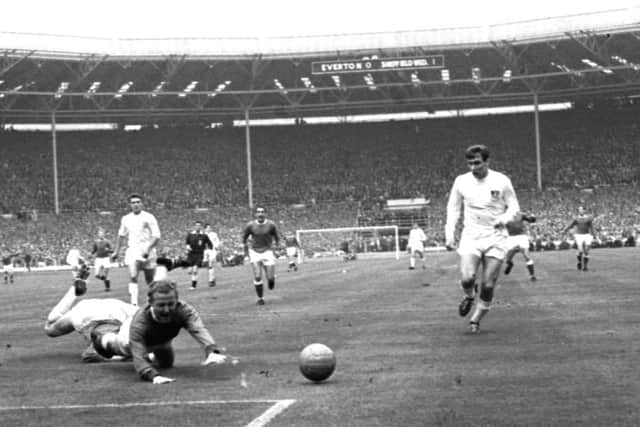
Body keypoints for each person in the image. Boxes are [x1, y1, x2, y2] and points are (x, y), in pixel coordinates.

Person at [91, 268, 229, 384]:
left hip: (162, 341)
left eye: (171, 304)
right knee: (122, 346)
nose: (167, 309)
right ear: (150, 303)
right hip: (129, 339)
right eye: (161, 305)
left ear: (177, 300)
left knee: (167, 364)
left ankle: (148, 355)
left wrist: (212, 351)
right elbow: (138, 358)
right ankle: (102, 340)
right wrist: (153, 376)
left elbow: (198, 330)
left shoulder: (184, 311)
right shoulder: (140, 322)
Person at [445, 144, 520, 334]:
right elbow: (453, 209)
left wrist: (503, 219)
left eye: (477, 162)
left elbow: (514, 207)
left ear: (487, 161)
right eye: (470, 163)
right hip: (471, 235)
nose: (473, 167)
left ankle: (476, 318)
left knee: (488, 284)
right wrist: (449, 233)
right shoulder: (461, 181)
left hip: (496, 236)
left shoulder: (501, 180)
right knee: (467, 277)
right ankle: (469, 296)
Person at [44, 264, 137, 363]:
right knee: (50, 328)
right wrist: (123, 358)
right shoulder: (117, 341)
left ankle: (74, 291)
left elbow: (90, 355)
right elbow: (89, 356)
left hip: (106, 309)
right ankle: (74, 291)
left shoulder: (127, 333)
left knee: (50, 327)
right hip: (93, 316)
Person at [111, 194, 161, 307]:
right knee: (133, 276)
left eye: (138, 202)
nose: (136, 204)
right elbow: (121, 235)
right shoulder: (126, 218)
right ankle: (134, 304)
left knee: (150, 280)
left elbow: (157, 236)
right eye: (133, 202)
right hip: (133, 249)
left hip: (148, 249)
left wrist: (148, 249)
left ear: (142, 204)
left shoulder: (149, 217)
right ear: (130, 205)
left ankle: (152, 301)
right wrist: (116, 251)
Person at [242, 206, 281, 305]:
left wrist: (277, 249)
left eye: (262, 212)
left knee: (270, 278)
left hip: (267, 251)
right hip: (254, 251)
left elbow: (277, 238)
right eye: (258, 212)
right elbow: (244, 238)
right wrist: (245, 250)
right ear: (255, 214)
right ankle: (261, 298)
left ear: (265, 214)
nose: (260, 214)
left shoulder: (271, 225)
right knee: (258, 276)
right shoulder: (250, 225)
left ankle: (271, 280)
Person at [503, 212, 537, 281]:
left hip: (522, 237)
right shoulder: (504, 216)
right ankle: (510, 264)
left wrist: (532, 218)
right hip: (511, 238)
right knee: (507, 259)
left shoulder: (520, 214)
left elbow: (530, 220)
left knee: (527, 256)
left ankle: (532, 275)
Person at [563, 206, 595, 271]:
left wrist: (594, 235)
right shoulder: (576, 218)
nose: (580, 211)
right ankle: (580, 262)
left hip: (587, 235)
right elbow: (570, 225)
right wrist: (565, 230)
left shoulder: (589, 218)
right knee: (580, 250)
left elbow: (591, 226)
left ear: (584, 210)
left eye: (581, 210)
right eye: (579, 210)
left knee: (586, 251)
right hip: (579, 235)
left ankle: (585, 267)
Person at [184, 220, 213, 290]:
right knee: (189, 271)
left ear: (201, 227)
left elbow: (210, 244)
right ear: (194, 226)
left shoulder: (204, 235)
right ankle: (192, 277)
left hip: (199, 254)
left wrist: (209, 250)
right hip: (191, 254)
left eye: (199, 226)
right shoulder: (190, 234)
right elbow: (187, 243)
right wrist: (187, 247)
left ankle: (193, 285)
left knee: (195, 270)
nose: (198, 227)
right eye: (196, 225)